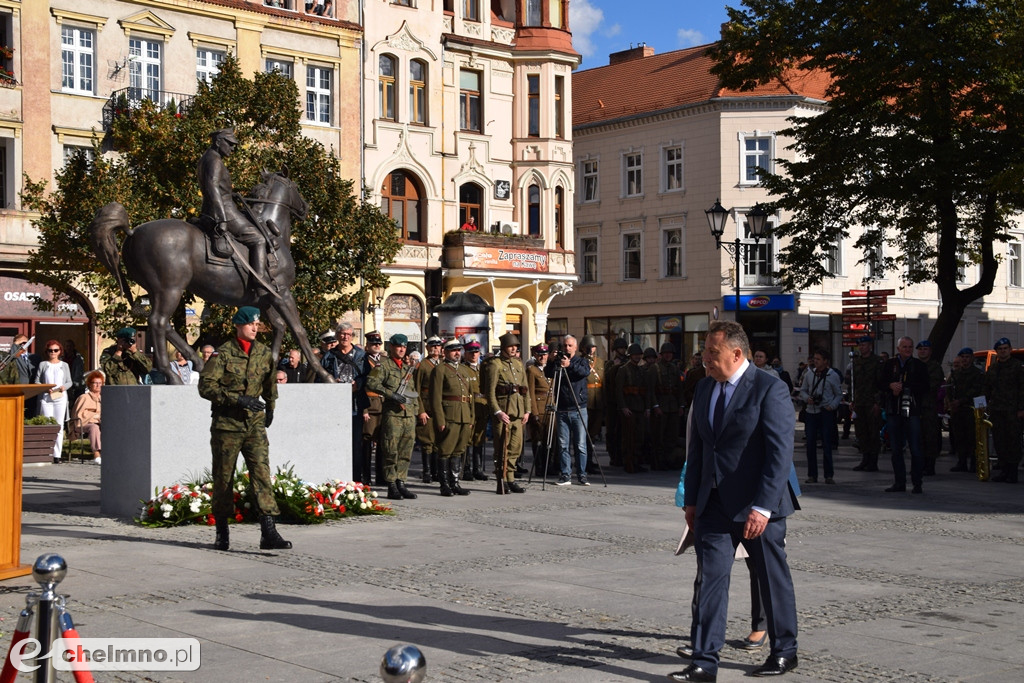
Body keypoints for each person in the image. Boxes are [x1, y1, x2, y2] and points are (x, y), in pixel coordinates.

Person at [675, 320, 799, 682]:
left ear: (736, 353)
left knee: (771, 579)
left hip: (757, 506)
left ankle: (784, 651)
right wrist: (693, 500)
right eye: (703, 355)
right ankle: (704, 662)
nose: (705, 361)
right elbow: (699, 448)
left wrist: (762, 507)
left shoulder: (768, 388)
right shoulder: (703, 389)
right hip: (713, 503)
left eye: (712, 354)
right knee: (710, 580)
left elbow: (779, 454)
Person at [199, 306, 291, 552]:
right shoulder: (224, 354)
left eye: (257, 324)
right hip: (227, 426)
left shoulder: (263, 353)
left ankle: (268, 531)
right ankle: (222, 532)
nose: (255, 327)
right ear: (239, 325)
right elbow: (205, 387)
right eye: (251, 323)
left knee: (261, 473)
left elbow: (270, 383)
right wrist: (236, 399)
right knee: (223, 477)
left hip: (254, 425)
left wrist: (270, 407)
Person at [198, 128, 275, 294]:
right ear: (219, 142)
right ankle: (260, 282)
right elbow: (213, 188)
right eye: (230, 144)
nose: (232, 148)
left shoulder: (206, 158)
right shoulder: (215, 161)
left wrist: (231, 193)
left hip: (210, 208)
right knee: (259, 239)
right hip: (224, 210)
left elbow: (216, 187)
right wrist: (222, 217)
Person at [365, 333, 419, 500]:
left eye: (404, 346)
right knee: (391, 450)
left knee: (406, 450)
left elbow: (413, 391)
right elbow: (371, 383)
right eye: (398, 346)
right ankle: (391, 485)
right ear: (391, 347)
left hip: (408, 415)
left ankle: (401, 482)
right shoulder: (382, 366)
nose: (402, 349)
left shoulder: (407, 368)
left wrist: (415, 411)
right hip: (393, 415)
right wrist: (391, 395)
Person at [878, 336, 929, 494]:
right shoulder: (889, 364)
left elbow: (926, 386)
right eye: (904, 347)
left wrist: (906, 387)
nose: (907, 349)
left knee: (915, 448)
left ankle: (917, 482)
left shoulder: (918, 365)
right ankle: (899, 482)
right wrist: (890, 386)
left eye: (910, 347)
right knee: (895, 448)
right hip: (894, 410)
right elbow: (879, 383)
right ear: (898, 348)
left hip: (912, 410)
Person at [482, 333, 531, 494]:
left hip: (518, 413)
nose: (514, 349)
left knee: (515, 448)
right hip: (504, 413)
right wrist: (497, 412)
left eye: (516, 347)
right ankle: (502, 479)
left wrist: (527, 410)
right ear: (503, 348)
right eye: (511, 347)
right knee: (502, 448)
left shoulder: (517, 364)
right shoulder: (495, 365)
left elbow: (525, 390)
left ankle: (511, 478)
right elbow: (490, 392)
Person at [545, 335, 591, 486]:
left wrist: (569, 365)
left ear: (575, 347)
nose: (567, 348)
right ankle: (565, 475)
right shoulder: (558, 361)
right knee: (563, 444)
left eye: (570, 345)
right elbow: (548, 373)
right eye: (565, 345)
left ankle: (582, 474)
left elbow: (584, 372)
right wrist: (552, 361)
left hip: (579, 408)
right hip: (562, 408)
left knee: (580, 444)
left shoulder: (581, 361)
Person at [429, 339, 474, 496]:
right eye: (453, 350)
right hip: (449, 415)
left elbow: (470, 396)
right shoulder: (440, 370)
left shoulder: (463, 369)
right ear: (445, 352)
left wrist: (471, 417)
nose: (457, 353)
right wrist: (440, 419)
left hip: (464, 415)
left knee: (459, 450)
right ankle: (444, 484)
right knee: (446, 450)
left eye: (458, 350)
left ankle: (455, 482)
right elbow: (435, 397)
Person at [798, 348, 841, 484]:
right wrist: (807, 398)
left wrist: (832, 406)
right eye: (814, 359)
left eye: (818, 359)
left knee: (826, 443)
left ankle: (829, 475)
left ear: (825, 361)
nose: (815, 361)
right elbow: (803, 390)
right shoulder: (809, 374)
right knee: (810, 443)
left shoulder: (832, 375)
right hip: (811, 411)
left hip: (825, 412)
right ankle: (812, 475)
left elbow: (838, 394)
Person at [984, 337, 1023, 483]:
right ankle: (1004, 470)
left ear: (1010, 350)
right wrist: (982, 404)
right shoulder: (993, 368)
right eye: (1000, 349)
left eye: (1005, 348)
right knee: (999, 441)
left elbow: (1022, 389)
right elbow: (986, 388)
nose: (1003, 351)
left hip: (1013, 411)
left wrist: (1021, 409)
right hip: (997, 410)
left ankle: (1012, 473)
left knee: (1013, 440)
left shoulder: (1017, 367)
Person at [35, 340, 73, 464]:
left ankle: (57, 454)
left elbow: (69, 381)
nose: (53, 352)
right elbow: (36, 381)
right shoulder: (43, 364)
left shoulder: (64, 365)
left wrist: (64, 387)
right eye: (50, 350)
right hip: (47, 397)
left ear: (60, 352)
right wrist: (45, 387)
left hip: (60, 397)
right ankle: (46, 452)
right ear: (47, 352)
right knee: (46, 424)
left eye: (55, 350)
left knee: (59, 425)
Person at [649, 342, 685, 471]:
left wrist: (681, 405)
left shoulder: (675, 368)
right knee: (659, 436)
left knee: (672, 435)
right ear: (661, 355)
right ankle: (658, 461)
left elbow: (679, 389)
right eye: (666, 353)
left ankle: (669, 459)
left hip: (673, 407)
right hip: (661, 405)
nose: (668, 355)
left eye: (670, 353)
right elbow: (651, 389)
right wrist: (655, 405)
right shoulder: (655, 368)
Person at [948, 347, 984, 473]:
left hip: (970, 409)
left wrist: (961, 400)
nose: (964, 360)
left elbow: (976, 391)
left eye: (967, 357)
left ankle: (974, 463)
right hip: (958, 410)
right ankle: (961, 462)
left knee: (972, 437)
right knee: (959, 437)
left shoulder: (977, 374)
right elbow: (950, 388)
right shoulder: (956, 374)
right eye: (962, 357)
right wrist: (951, 402)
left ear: (972, 359)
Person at [615, 343, 649, 473]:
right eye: (634, 354)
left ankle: (636, 462)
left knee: (639, 437)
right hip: (629, 408)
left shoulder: (641, 370)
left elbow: (645, 391)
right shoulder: (623, 370)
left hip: (639, 407)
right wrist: (623, 407)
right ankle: (628, 463)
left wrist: (646, 408)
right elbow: (618, 390)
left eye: (639, 355)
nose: (637, 357)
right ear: (630, 356)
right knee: (628, 438)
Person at [850, 336, 882, 471]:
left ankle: (873, 461)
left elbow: (880, 383)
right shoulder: (856, 362)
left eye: (864, 345)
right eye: (860, 345)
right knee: (861, 432)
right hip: (860, 401)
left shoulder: (877, 361)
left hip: (871, 401)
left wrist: (877, 402)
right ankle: (865, 458)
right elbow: (853, 382)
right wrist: (852, 400)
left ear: (870, 346)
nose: (862, 347)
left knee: (873, 432)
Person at [414, 336, 444, 484]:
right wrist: (420, 410)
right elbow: (416, 389)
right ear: (427, 348)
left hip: (440, 408)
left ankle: (436, 471)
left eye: (438, 346)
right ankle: (426, 472)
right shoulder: (422, 365)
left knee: (439, 441)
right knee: (427, 441)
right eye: (432, 346)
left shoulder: (444, 364)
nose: (435, 349)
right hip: (426, 407)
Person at [461, 340, 490, 480]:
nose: (474, 355)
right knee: (468, 438)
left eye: (476, 352)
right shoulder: (463, 368)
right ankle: (466, 469)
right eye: (471, 352)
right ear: (465, 354)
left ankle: (477, 468)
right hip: (470, 406)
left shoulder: (483, 368)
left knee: (479, 438)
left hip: (482, 406)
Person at [360, 331, 386, 484]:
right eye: (373, 344)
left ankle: (381, 476)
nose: (376, 346)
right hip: (369, 406)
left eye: (378, 344)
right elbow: (362, 384)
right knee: (366, 442)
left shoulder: (384, 360)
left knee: (382, 441)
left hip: (383, 405)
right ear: (367, 346)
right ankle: (366, 476)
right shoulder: (363, 360)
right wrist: (364, 409)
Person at [916, 340, 945, 475]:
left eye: (925, 349)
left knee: (930, 436)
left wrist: (916, 386)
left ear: (930, 351)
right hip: (916, 406)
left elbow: (932, 385)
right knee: (918, 436)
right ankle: (920, 464)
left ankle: (930, 465)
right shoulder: (914, 365)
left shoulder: (934, 367)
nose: (922, 351)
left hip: (929, 406)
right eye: (920, 349)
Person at [526, 344, 554, 476]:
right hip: (539, 408)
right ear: (535, 356)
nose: (543, 357)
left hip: (550, 408)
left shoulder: (550, 369)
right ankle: (540, 467)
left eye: (545, 354)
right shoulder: (532, 370)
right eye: (540, 354)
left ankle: (549, 465)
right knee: (538, 440)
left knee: (550, 440)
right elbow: (530, 393)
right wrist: (534, 412)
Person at [580, 336, 605, 474]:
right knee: (584, 434)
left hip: (598, 402)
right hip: (586, 401)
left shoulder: (600, 362)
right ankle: (585, 461)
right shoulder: (580, 361)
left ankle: (590, 460)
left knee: (593, 434)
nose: (591, 349)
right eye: (589, 347)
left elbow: (604, 382)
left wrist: (604, 402)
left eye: (593, 347)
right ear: (583, 348)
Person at [71, 370, 104, 464]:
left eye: (100, 383)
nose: (98, 385)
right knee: (94, 427)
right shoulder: (84, 397)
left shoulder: (104, 397)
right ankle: (96, 453)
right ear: (89, 384)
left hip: (101, 423)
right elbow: (78, 415)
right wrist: (95, 416)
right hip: (83, 424)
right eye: (95, 383)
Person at [64, 339, 86, 404]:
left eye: (70, 346)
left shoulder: (78, 358)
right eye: (67, 346)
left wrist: (74, 384)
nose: (68, 348)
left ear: (73, 347)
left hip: (77, 385)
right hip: (65, 384)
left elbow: (79, 373)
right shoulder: (61, 358)